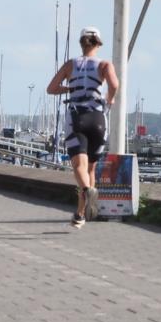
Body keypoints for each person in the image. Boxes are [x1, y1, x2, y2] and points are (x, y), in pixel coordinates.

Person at [46, 26, 119, 229]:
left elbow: (51, 88)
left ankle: (87, 191)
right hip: (98, 118)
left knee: (79, 166)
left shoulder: (71, 64)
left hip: (77, 117)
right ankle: (80, 214)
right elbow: (114, 85)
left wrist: (70, 87)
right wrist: (109, 99)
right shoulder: (104, 64)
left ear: (81, 43)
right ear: (98, 44)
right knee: (90, 168)